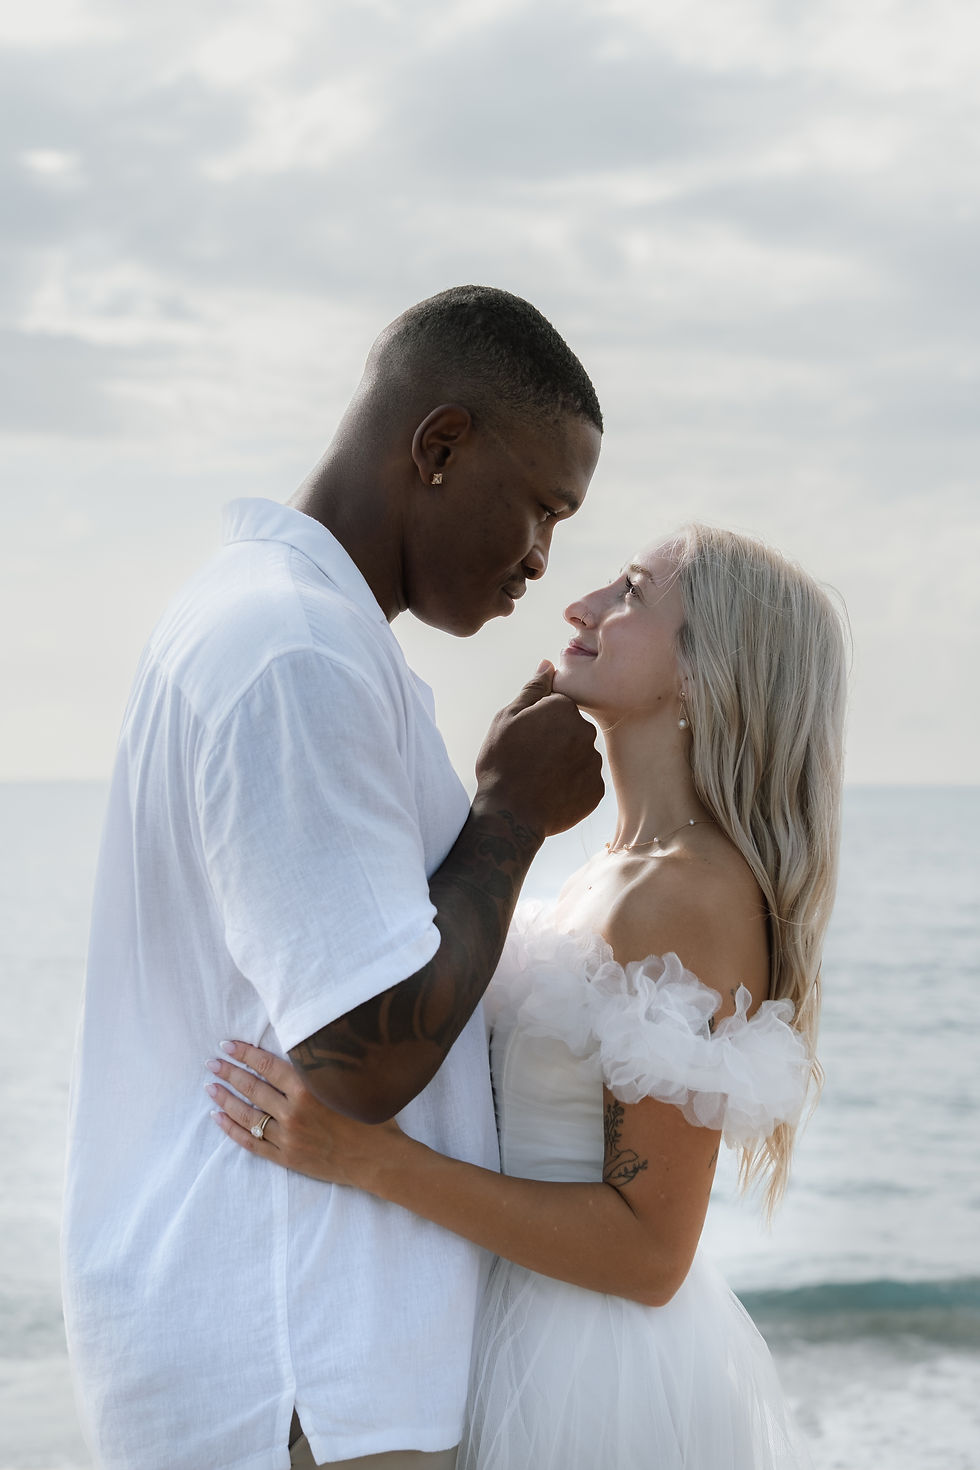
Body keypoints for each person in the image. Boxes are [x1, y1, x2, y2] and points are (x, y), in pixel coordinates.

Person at [61, 286, 605, 1470]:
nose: (540, 561)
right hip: (298, 1375)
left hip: (289, 1360)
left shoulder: (286, 625)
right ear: (441, 446)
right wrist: (510, 816)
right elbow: (358, 1057)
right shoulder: (293, 652)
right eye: (542, 507)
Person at [205, 524, 848, 1469]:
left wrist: (364, 1157)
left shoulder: (691, 894)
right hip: (493, 1318)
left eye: (630, 593)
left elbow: (649, 1255)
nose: (580, 607)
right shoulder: (615, 873)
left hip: (579, 1376)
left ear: (708, 670)